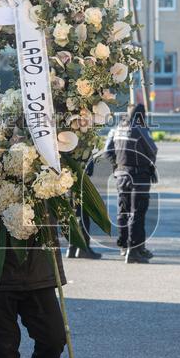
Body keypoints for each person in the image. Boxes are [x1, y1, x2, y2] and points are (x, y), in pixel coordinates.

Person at [105, 103, 158, 264]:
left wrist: (117, 166)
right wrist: (150, 166)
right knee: (137, 213)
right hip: (138, 175)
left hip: (121, 174)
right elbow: (152, 150)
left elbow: (108, 151)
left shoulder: (117, 128)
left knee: (123, 211)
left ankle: (124, 246)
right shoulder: (139, 129)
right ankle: (134, 250)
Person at [66, 157, 102, 259]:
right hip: (79, 176)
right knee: (82, 214)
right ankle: (83, 248)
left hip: (68, 176)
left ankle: (72, 247)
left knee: (72, 213)